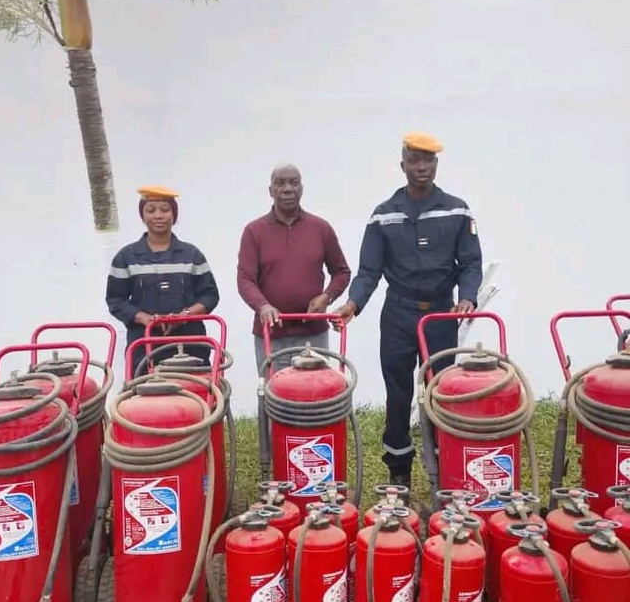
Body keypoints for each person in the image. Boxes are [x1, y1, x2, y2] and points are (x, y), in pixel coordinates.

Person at [334, 133, 483, 489]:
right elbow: (369, 270)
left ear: (436, 165)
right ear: (402, 166)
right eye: (414, 161)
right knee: (398, 394)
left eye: (428, 160)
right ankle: (399, 470)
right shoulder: (384, 215)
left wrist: (468, 297)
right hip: (398, 314)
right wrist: (353, 303)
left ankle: (445, 468)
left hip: (440, 315)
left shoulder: (457, 210)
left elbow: (471, 264)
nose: (421, 167)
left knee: (441, 391)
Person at [237, 163, 351, 373]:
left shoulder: (321, 228)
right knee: (273, 390)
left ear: (302, 188)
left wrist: (326, 297)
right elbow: (245, 279)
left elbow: (342, 272)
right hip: (271, 335)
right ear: (270, 191)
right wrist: (263, 306)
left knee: (316, 389)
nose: (288, 189)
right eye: (280, 183)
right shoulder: (254, 231)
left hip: (314, 334)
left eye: (294, 183)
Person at [106, 185, 220, 378]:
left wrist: (184, 316)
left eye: (165, 210)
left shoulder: (192, 254)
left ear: (174, 215)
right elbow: (115, 300)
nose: (158, 216)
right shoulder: (126, 257)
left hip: (190, 342)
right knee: (144, 392)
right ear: (142, 216)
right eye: (151, 210)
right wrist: (145, 318)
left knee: (197, 391)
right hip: (144, 344)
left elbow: (209, 295)